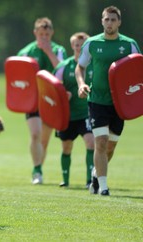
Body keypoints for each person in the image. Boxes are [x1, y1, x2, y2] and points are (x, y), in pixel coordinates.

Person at [75, 6, 141, 196]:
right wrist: (81, 84)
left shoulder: (130, 45)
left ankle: (96, 174)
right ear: (101, 21)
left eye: (113, 19)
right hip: (97, 100)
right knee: (101, 142)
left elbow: (138, 71)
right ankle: (103, 187)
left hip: (121, 103)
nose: (109, 23)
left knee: (111, 146)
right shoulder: (92, 43)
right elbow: (80, 67)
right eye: (106, 19)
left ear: (119, 22)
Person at [17, 17, 67, 184]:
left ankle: (38, 168)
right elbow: (18, 76)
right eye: (41, 34)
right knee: (35, 134)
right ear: (35, 33)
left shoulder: (58, 50)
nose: (44, 37)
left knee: (44, 139)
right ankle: (37, 170)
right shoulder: (26, 52)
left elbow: (63, 71)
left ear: (51, 33)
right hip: (33, 99)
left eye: (47, 34)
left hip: (51, 99)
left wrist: (48, 51)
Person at [53, 32, 94, 188]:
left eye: (83, 45)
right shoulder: (63, 67)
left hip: (87, 113)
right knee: (66, 146)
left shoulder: (94, 64)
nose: (80, 48)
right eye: (77, 45)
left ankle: (90, 180)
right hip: (67, 115)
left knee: (91, 143)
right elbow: (52, 89)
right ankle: (65, 180)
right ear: (72, 46)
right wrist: (63, 96)